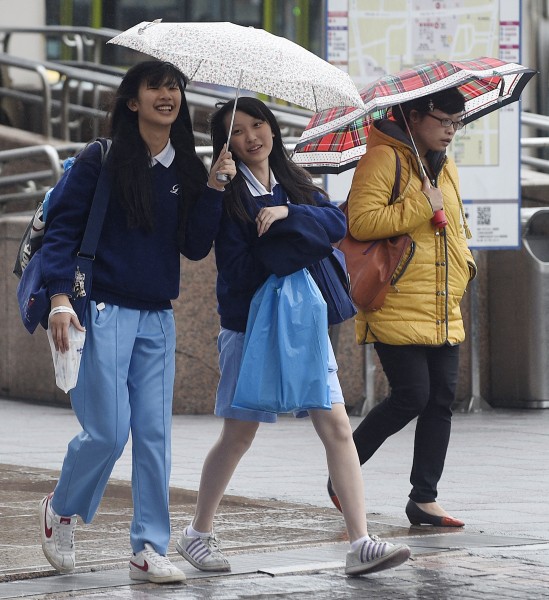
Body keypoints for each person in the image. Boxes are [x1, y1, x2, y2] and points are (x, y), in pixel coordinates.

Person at [174, 97, 411, 577]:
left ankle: (360, 540)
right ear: (226, 144)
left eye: (257, 124)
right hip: (250, 325)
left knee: (337, 426)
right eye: (237, 131)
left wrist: (286, 217)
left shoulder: (295, 181)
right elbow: (222, 260)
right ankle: (197, 532)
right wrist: (219, 191)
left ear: (273, 128)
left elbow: (336, 222)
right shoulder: (227, 191)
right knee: (239, 434)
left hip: (305, 324)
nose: (251, 137)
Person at [38, 61, 236, 584]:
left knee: (153, 436)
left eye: (174, 87)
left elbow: (194, 247)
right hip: (99, 310)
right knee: (107, 432)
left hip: (157, 317)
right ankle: (60, 508)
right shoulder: (100, 159)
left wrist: (215, 189)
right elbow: (61, 233)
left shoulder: (189, 168)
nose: (167, 95)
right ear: (133, 101)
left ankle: (149, 546)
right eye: (155, 87)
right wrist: (60, 299)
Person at [328, 87, 476, 528]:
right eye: (443, 120)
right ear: (413, 116)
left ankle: (424, 498)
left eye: (457, 122)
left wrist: (465, 269)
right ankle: (342, 472)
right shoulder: (382, 159)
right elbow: (362, 221)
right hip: (394, 299)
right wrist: (419, 204)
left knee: (441, 400)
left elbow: (454, 228)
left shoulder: (443, 166)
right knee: (412, 395)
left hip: (440, 302)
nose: (450, 130)